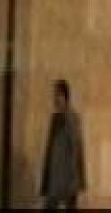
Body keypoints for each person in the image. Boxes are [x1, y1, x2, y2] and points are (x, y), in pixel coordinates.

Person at [40, 79, 87, 211]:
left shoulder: (71, 119)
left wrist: (71, 181)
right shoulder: (55, 118)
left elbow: (74, 150)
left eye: (57, 95)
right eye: (53, 95)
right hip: (55, 179)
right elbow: (50, 151)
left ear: (64, 96)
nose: (54, 99)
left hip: (67, 180)